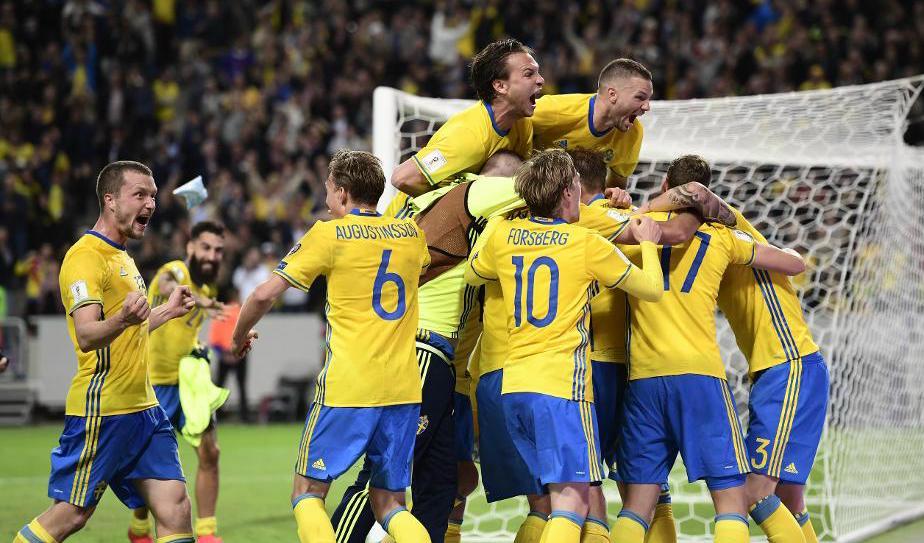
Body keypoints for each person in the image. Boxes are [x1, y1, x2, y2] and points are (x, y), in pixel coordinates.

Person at [230, 150, 432, 543]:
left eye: (327, 189)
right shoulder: (411, 234)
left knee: (307, 493)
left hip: (349, 386)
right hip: (404, 389)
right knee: (391, 504)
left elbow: (261, 296)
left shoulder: (329, 234)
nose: (326, 197)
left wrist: (238, 338)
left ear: (341, 193)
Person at [465, 148, 665, 543]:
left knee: (544, 503)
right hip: (562, 389)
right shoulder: (584, 244)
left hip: (513, 388)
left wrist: (502, 226)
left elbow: (474, 272)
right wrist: (647, 245)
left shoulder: (503, 234)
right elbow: (652, 289)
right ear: (570, 193)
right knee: (573, 501)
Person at [331, 150, 527, 543]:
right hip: (419, 352)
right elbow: (540, 189)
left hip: (434, 362)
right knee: (382, 478)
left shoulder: (417, 206)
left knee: (442, 484)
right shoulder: (478, 192)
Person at [610, 155, 806, 543]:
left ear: (666, 186)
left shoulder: (632, 228)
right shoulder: (723, 239)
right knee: (732, 502)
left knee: (637, 506)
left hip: (643, 378)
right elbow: (792, 264)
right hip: (700, 376)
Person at [13, 160, 196, 543]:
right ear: (110, 200)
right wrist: (124, 319)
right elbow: (87, 334)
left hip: (144, 411)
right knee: (71, 515)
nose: (151, 204)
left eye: (154, 196)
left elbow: (132, 327)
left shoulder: (123, 256)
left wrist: (166, 310)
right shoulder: (85, 257)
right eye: (140, 194)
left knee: (175, 505)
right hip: (104, 410)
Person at [718, 207, 829, 543]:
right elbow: (795, 260)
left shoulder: (732, 236)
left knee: (755, 493)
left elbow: (701, 194)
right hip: (792, 369)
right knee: (790, 496)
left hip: (788, 367)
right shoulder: (743, 244)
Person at [128, 221, 228, 543]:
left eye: (218, 250)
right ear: (190, 248)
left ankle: (209, 532)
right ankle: (140, 527)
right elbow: (172, 286)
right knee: (147, 464)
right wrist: (206, 303)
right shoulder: (175, 271)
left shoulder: (209, 289)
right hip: (153, 385)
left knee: (210, 452)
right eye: (206, 247)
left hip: (187, 385)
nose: (212, 256)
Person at [386, 38, 542, 217]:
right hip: (405, 227)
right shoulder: (468, 135)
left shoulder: (522, 124)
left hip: (460, 228)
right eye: (529, 74)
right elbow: (402, 178)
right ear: (500, 86)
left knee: (511, 168)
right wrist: (460, 209)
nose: (541, 80)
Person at [532, 58, 652, 188]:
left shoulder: (633, 133)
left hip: (574, 197)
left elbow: (617, 186)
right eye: (640, 97)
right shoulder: (554, 110)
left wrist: (616, 197)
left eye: (648, 99)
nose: (647, 107)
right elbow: (510, 121)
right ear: (612, 94)